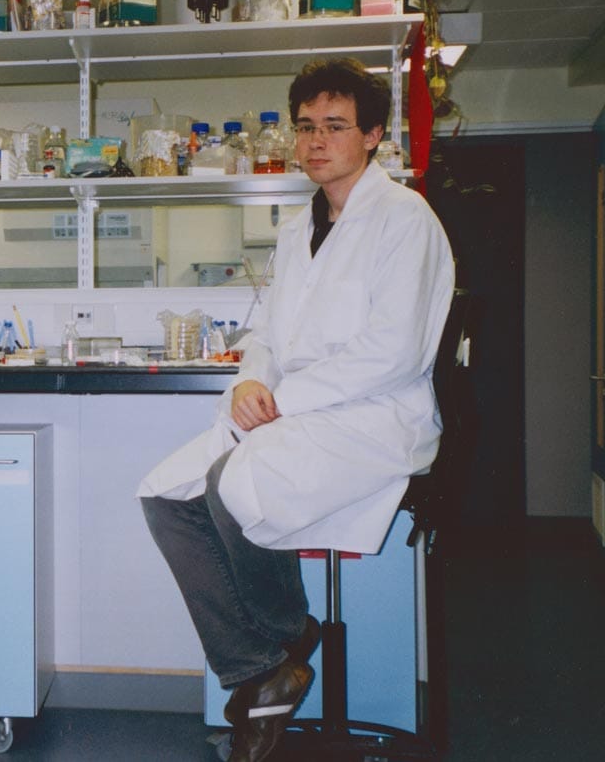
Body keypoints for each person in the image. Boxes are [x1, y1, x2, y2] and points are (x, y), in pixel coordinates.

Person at [137, 57, 454, 762]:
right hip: (296, 415)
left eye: (336, 127)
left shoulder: (406, 220)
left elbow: (393, 353)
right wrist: (250, 381)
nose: (316, 141)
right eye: (306, 126)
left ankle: (279, 646)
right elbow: (268, 336)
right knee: (163, 492)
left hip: (378, 418)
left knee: (233, 483)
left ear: (373, 135)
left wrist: (280, 401)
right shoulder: (295, 227)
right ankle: (268, 661)